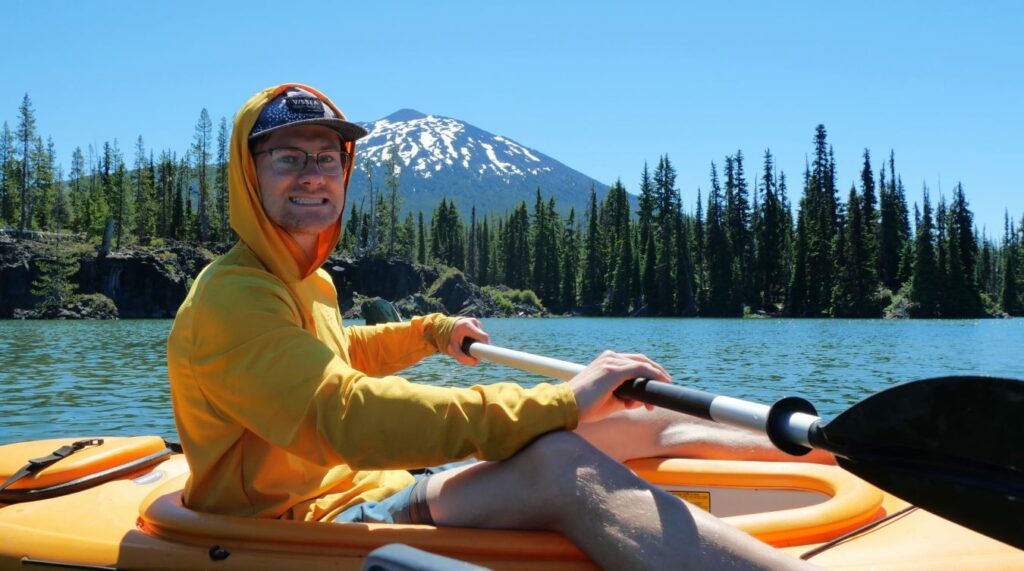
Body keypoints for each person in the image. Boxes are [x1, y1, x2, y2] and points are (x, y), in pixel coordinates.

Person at [167, 83, 827, 570]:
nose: (313, 174)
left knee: (639, 420)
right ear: (249, 177)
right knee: (561, 462)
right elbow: (344, 411)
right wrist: (560, 402)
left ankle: (838, 446)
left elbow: (340, 351)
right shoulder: (232, 297)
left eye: (327, 156)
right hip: (306, 522)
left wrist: (430, 331)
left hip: (374, 488)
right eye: (287, 158)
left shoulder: (304, 279)